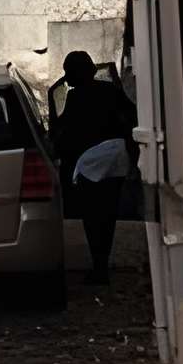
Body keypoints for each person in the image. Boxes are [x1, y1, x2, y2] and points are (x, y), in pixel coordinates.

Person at [52, 49, 137, 287]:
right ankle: (102, 264)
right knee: (108, 214)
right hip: (117, 158)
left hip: (90, 164)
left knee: (92, 217)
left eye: (68, 72)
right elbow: (131, 115)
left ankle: (99, 266)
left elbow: (66, 133)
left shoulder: (76, 98)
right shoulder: (111, 91)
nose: (67, 78)